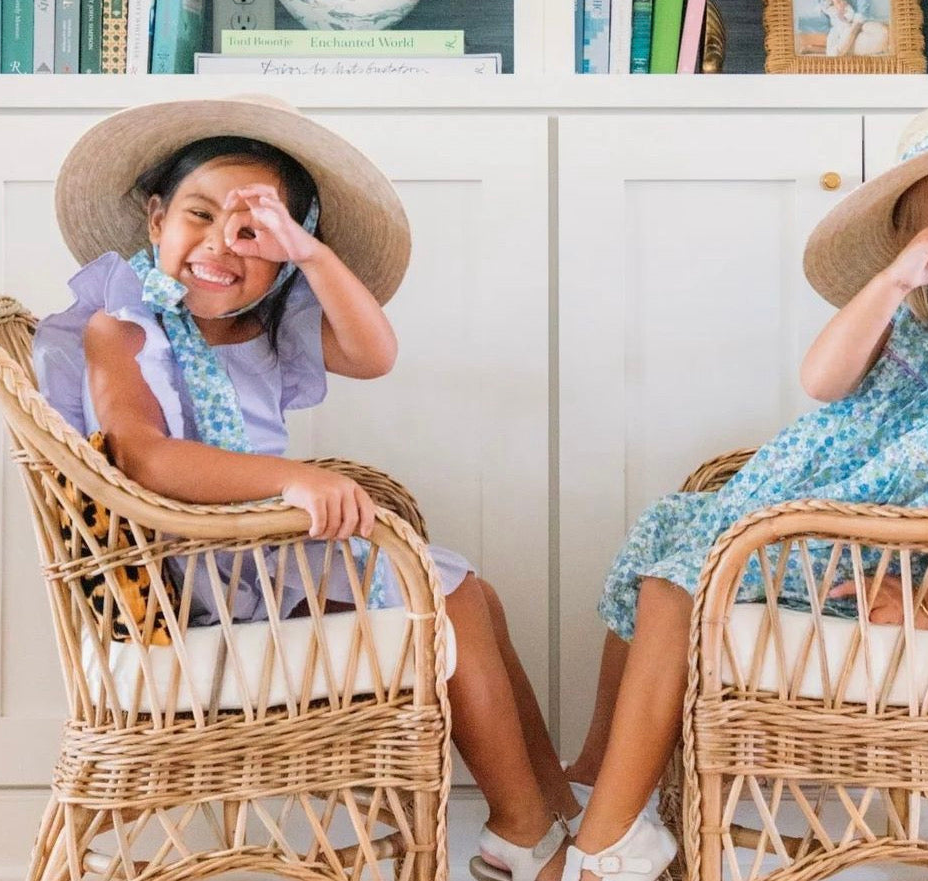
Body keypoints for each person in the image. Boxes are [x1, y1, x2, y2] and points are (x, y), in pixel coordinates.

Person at [559, 98, 928, 881]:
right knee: (665, 530)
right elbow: (823, 378)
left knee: (678, 583)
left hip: (886, 550)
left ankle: (607, 839)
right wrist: (896, 277)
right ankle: (602, 786)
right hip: (814, 521)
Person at [34, 96, 578, 881]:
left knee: (476, 596)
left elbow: (375, 352)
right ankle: (521, 829)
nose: (220, 244)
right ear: (155, 219)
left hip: (259, 555)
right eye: (199, 215)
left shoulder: (265, 325)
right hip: (199, 567)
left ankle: (553, 808)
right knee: (449, 594)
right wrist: (294, 478)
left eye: (253, 231)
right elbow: (144, 457)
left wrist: (311, 255)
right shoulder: (122, 324)